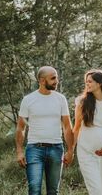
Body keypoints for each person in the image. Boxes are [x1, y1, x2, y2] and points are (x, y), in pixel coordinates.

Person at [15, 66, 74, 195]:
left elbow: (67, 127)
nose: (56, 81)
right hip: (34, 149)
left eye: (57, 77)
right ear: (42, 81)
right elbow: (21, 127)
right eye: (53, 78)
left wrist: (70, 150)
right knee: (34, 189)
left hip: (56, 149)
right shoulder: (28, 100)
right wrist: (19, 151)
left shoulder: (60, 99)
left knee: (53, 191)